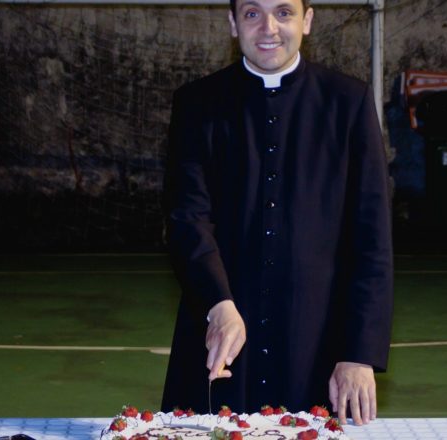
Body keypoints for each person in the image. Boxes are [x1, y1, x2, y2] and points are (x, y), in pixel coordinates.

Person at [161, 0, 393, 426]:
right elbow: (186, 218)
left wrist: (358, 353)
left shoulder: (348, 102)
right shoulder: (197, 103)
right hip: (218, 337)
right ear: (233, 24)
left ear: (307, 21)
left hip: (315, 345)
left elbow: (371, 238)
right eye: (252, 13)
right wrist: (218, 304)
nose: (268, 27)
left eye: (284, 12)